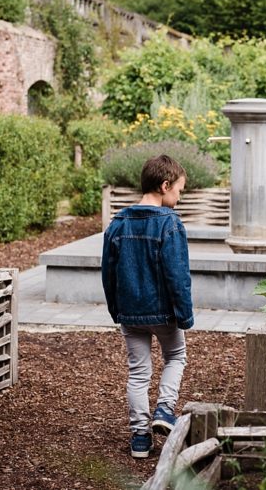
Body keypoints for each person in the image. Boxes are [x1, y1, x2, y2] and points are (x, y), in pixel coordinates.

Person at [101, 154, 194, 458]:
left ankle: (140, 437)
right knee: (176, 356)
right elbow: (177, 275)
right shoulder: (169, 224)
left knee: (138, 372)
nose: (179, 197)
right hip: (164, 312)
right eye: (179, 190)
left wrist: (116, 310)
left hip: (130, 312)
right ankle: (165, 410)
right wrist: (185, 315)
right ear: (164, 185)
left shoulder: (117, 224)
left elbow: (108, 273)